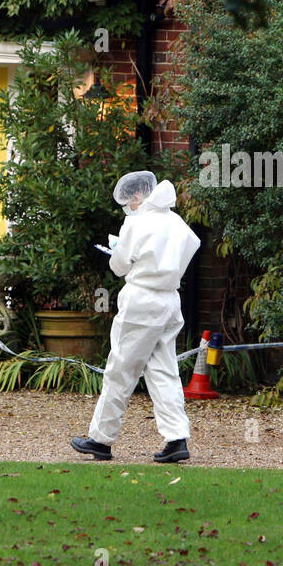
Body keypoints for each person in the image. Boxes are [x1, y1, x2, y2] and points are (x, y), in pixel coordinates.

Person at [71, 171, 201, 463]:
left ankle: (101, 440)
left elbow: (118, 267)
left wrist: (119, 253)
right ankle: (176, 438)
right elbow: (193, 245)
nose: (128, 208)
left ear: (138, 196)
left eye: (129, 202)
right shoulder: (176, 222)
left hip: (141, 300)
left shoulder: (136, 221)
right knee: (164, 369)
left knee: (121, 369)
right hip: (169, 299)